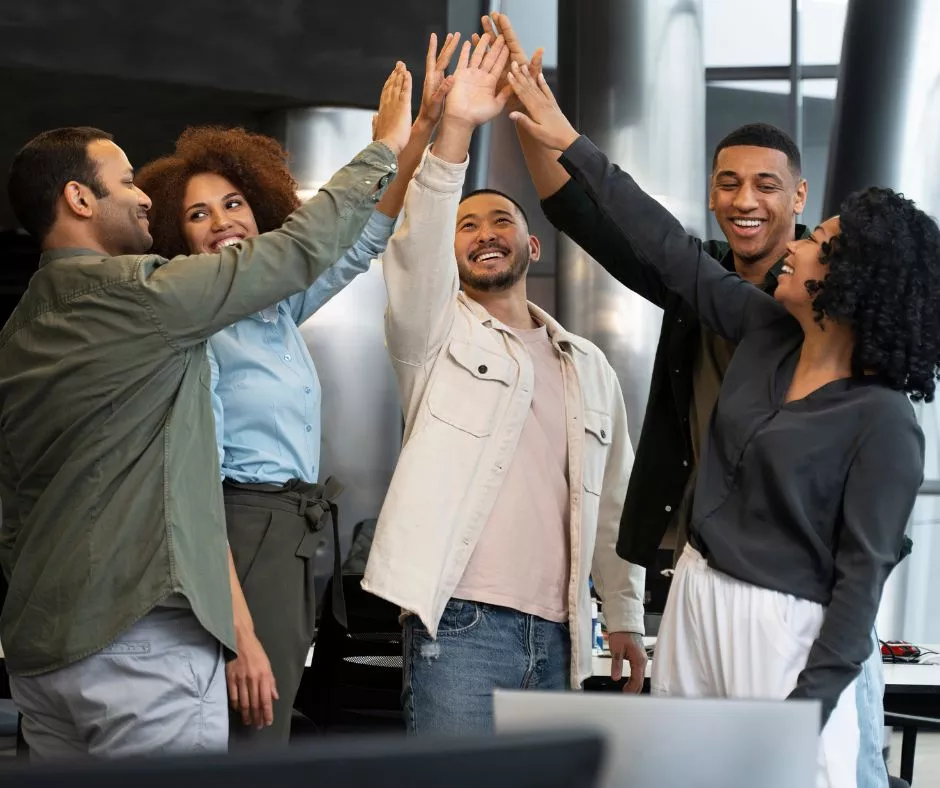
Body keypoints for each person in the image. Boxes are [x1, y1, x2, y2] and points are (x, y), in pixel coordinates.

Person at [482, 13, 897, 785]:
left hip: (793, 613)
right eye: (728, 182)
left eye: (778, 196)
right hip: (701, 586)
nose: (758, 209)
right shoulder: (742, 308)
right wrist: (553, 130)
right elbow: (636, 232)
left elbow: (861, 564)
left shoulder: (874, 396)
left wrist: (811, 698)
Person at [0, 64, 411, 759]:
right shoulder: (151, 299)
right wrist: (383, 146)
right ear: (77, 197)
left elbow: (14, 507)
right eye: (127, 181)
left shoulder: (19, 330)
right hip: (144, 639)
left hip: (45, 653)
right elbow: (298, 251)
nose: (141, 201)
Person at [134, 33, 461, 747]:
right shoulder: (200, 332)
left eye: (233, 203)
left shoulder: (274, 306)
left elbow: (368, 232)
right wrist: (242, 632)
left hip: (288, 536)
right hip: (235, 531)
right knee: (248, 728)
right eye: (199, 214)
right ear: (176, 237)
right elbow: (190, 489)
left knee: (262, 726)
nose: (223, 220)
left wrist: (421, 133)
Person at [361, 33, 647, 735]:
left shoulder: (587, 364)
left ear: (534, 246)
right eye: (466, 227)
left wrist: (627, 619)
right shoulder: (431, 334)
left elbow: (615, 504)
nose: (483, 234)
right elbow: (415, 244)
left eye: (500, 221)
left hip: (564, 634)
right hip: (459, 625)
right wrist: (453, 127)